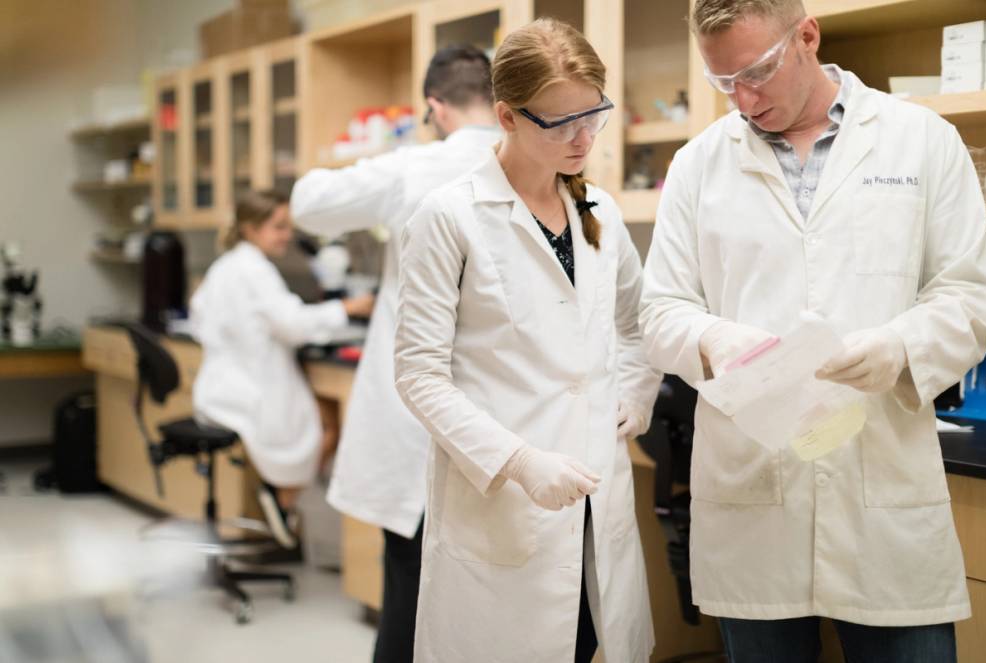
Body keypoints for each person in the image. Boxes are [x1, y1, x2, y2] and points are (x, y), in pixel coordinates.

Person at [638, 1, 986, 661]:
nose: (743, 99)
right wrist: (712, 341)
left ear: (807, 36)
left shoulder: (920, 139)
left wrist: (899, 347)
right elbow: (659, 310)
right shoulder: (698, 164)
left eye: (757, 72)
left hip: (883, 492)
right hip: (754, 492)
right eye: (724, 83)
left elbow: (970, 292)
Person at [394, 19, 658, 663]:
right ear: (507, 116)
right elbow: (418, 374)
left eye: (593, 114)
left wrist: (640, 386)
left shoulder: (598, 210)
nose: (584, 138)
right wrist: (517, 462)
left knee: (590, 639)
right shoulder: (450, 216)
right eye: (560, 123)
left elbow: (636, 322)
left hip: (594, 495)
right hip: (505, 499)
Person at [290, 45, 500, 662]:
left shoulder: (415, 168)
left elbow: (307, 202)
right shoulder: (529, 161)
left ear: (435, 107)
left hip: (418, 414)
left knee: (409, 598)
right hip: (502, 418)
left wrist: (396, 150)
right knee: (492, 605)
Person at [191, 190, 374, 548]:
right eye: (278, 227)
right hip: (251, 390)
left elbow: (201, 316)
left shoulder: (227, 265)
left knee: (324, 421)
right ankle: (283, 498)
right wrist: (349, 307)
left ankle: (281, 499)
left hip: (220, 386)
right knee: (327, 428)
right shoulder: (255, 270)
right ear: (249, 228)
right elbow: (293, 323)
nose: (287, 235)